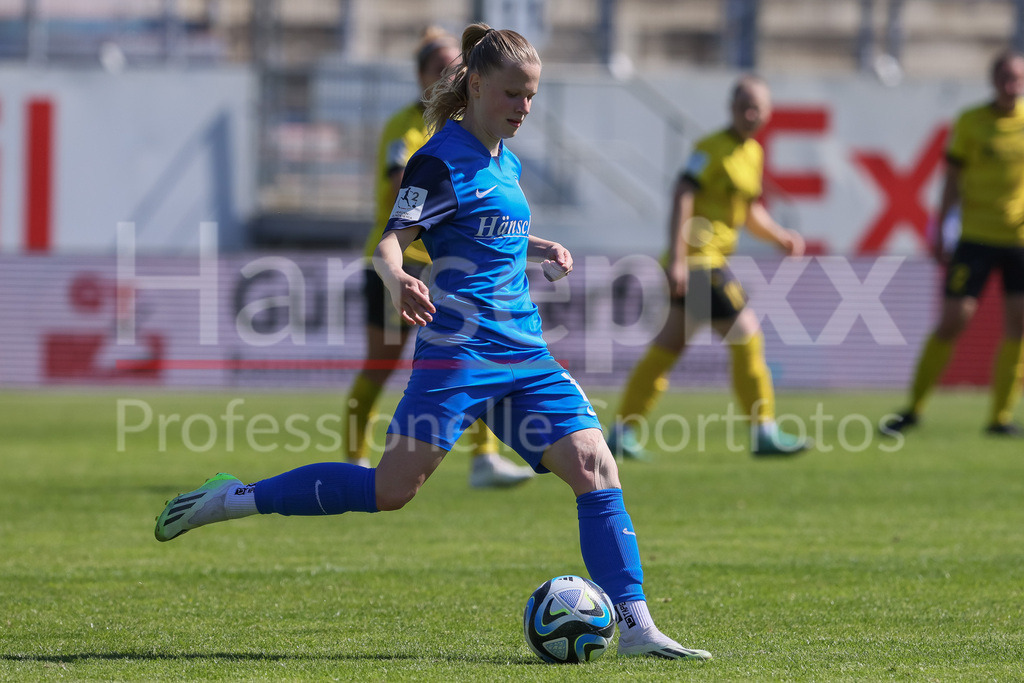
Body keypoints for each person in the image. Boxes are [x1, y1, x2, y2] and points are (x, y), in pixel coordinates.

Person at [155, 24, 711, 661]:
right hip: (459, 355)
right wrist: (397, 281)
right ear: (475, 86)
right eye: (512, 94)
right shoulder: (437, 159)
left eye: (531, 95)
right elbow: (391, 242)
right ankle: (235, 498)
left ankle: (636, 626)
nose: (524, 107)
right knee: (391, 490)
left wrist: (539, 246)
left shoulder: (506, 159)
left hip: (524, 353)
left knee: (595, 465)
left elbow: (486, 226)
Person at [345, 25, 534, 487]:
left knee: (477, 354)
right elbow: (400, 190)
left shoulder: (488, 139)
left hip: (449, 262)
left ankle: (484, 458)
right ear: (420, 75)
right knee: (381, 364)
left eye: (456, 65)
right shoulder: (409, 130)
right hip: (402, 259)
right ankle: (354, 458)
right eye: (439, 67)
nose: (450, 73)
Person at [608, 75, 811, 459]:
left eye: (756, 108)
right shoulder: (710, 148)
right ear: (731, 108)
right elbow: (683, 193)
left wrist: (780, 236)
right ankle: (764, 430)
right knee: (747, 337)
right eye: (743, 107)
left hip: (704, 264)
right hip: (700, 262)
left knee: (666, 349)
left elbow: (748, 211)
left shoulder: (752, 153)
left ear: (767, 113)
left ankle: (621, 431)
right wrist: (678, 259)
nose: (749, 114)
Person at [883, 50, 1024, 437]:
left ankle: (1000, 417)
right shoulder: (971, 122)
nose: (1012, 85)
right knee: (953, 320)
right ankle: (914, 407)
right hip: (976, 236)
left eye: (1018, 78)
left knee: (1019, 324)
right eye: (1006, 78)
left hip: (1018, 241)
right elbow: (951, 179)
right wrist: (941, 228)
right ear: (993, 81)